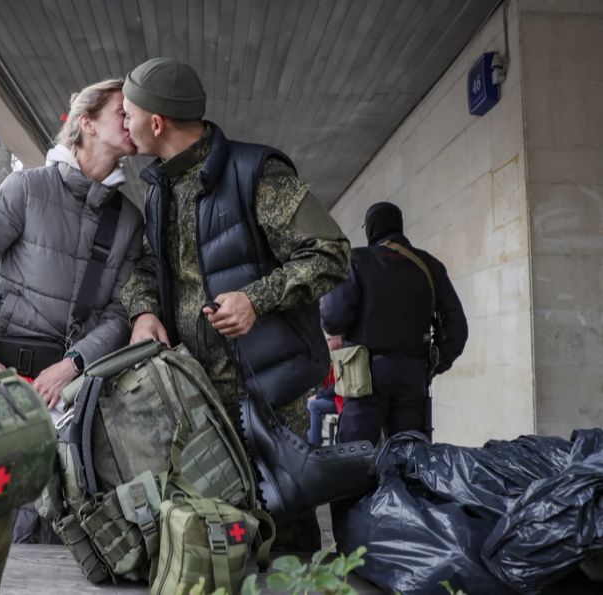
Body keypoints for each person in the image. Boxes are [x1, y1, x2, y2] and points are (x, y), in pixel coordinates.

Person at [119, 57, 354, 548]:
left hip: (267, 393)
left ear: (156, 121)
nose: (123, 122)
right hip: (195, 395)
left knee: (284, 533)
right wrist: (143, 312)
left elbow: (332, 254)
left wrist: (255, 298)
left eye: (127, 111)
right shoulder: (160, 189)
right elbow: (144, 267)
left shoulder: (257, 172)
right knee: (217, 539)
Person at [0, 78, 143, 411]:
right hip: (2, 388)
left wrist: (72, 364)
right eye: (122, 112)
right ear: (87, 122)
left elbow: (120, 312)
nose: (132, 121)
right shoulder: (27, 189)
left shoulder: (129, 220)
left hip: (75, 397)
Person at [321, 201, 468, 446]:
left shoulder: (355, 260)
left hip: (363, 378)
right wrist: (432, 367)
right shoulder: (429, 265)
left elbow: (332, 319)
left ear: (370, 229)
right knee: (411, 461)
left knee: (354, 461)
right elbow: (457, 329)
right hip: (413, 376)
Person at [307, 334, 342, 446]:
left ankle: (314, 444)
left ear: (338, 339)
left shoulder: (342, 356)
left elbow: (337, 387)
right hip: (337, 398)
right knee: (311, 403)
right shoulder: (334, 355)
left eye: (329, 340)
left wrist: (318, 396)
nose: (327, 343)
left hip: (342, 400)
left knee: (313, 405)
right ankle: (312, 436)